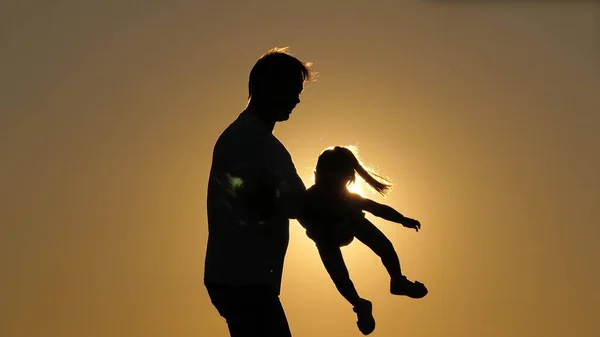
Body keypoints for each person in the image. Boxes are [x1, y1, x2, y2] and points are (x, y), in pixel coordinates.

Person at [204, 47, 316, 337]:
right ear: (267, 87)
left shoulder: (266, 144)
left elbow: (295, 202)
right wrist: (309, 207)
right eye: (292, 89)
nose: (297, 99)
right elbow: (258, 202)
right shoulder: (246, 139)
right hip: (241, 279)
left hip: (248, 279)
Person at [298, 146, 428, 335]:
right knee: (340, 278)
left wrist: (402, 220)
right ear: (319, 175)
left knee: (383, 245)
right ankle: (359, 304)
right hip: (325, 236)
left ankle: (397, 281)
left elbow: (376, 208)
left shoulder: (347, 199)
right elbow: (293, 211)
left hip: (350, 223)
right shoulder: (309, 199)